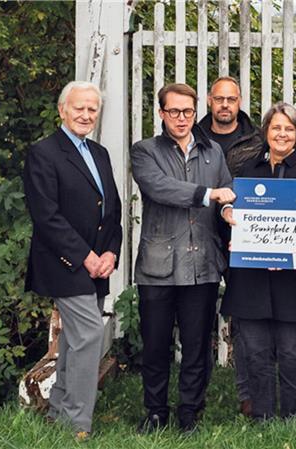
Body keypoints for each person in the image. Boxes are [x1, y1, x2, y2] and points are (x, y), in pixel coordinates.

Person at [131, 83, 235, 435]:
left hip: (202, 264)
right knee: (156, 345)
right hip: (158, 266)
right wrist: (209, 194)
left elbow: (226, 194)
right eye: (173, 111)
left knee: (197, 346)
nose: (181, 118)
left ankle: (190, 411)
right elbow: (159, 188)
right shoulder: (145, 151)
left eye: (187, 111)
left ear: (195, 111)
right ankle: (156, 411)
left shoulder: (213, 152)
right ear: (161, 113)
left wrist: (228, 211)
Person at [23, 81, 122, 441]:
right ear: (62, 110)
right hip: (64, 263)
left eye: (92, 109)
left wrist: (111, 251)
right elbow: (46, 216)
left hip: (98, 264)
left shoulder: (99, 153)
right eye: (79, 107)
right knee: (89, 334)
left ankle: (60, 410)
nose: (86, 114)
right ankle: (78, 424)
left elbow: (112, 208)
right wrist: (86, 257)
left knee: (74, 340)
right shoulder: (43, 153)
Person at [219, 102, 296, 421]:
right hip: (252, 278)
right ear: (266, 131)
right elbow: (227, 211)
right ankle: (262, 414)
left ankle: (293, 415)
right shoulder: (246, 172)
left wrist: (292, 254)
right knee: (255, 349)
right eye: (276, 127)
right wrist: (229, 220)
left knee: (292, 350)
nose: (282, 134)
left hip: (295, 280)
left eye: (288, 129)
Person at [194, 76, 264, 417]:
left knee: (245, 321)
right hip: (200, 235)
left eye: (231, 99)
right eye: (219, 98)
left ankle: (248, 395)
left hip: (243, 237)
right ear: (210, 100)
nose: (225, 105)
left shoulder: (257, 140)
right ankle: (195, 397)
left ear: (239, 102)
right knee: (198, 320)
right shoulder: (192, 136)